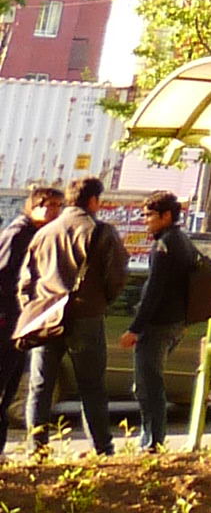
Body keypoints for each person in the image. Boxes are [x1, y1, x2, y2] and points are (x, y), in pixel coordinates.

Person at [18, 175, 127, 454]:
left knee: (40, 388)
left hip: (46, 316)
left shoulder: (44, 232)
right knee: (91, 387)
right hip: (86, 315)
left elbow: (25, 280)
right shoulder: (100, 232)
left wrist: (33, 308)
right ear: (93, 201)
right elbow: (116, 277)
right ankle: (102, 449)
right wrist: (100, 301)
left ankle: (36, 448)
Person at [118, 195, 202, 454]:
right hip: (174, 322)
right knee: (148, 382)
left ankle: (152, 441)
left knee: (147, 384)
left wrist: (135, 328)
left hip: (159, 324)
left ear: (166, 216)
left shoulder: (165, 245)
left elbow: (154, 291)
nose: (145, 221)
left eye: (149, 216)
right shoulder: (183, 241)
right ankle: (151, 438)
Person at [0, 188, 62, 456]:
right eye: (52, 206)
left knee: (8, 390)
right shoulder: (17, 234)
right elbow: (4, 277)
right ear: (36, 205)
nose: (57, 212)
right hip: (7, 322)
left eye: (60, 206)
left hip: (19, 323)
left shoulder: (37, 235)